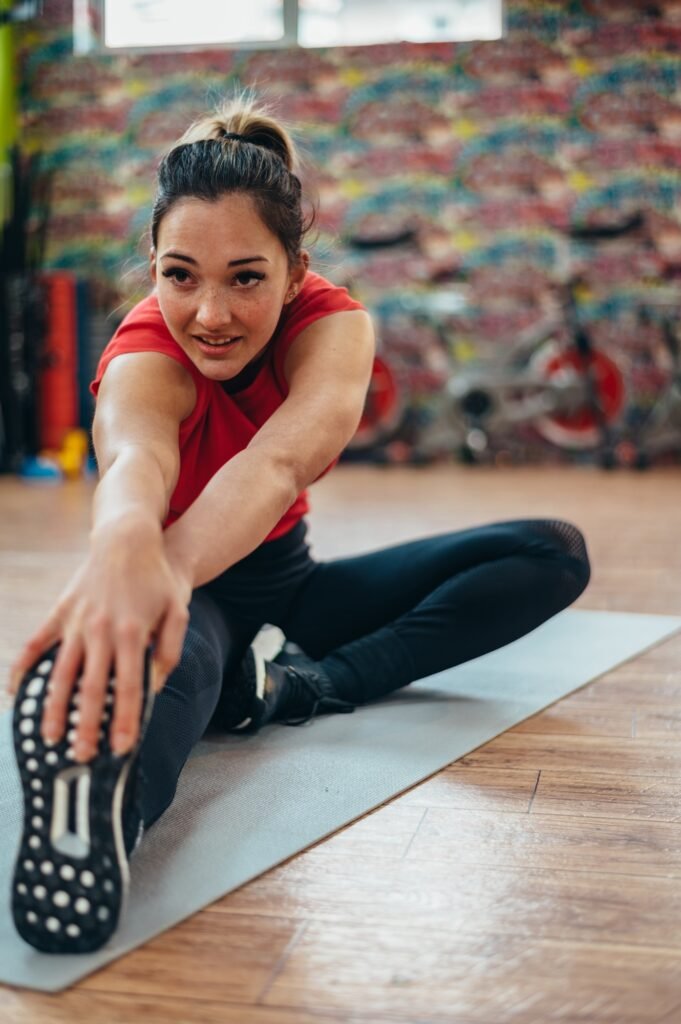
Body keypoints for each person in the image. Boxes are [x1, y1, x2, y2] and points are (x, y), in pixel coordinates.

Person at [8, 97, 590, 954]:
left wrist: (160, 569)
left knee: (549, 553)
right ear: (153, 266)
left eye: (245, 277)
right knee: (175, 663)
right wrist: (128, 555)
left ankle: (296, 687)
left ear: (293, 270)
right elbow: (135, 460)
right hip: (191, 591)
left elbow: (274, 464)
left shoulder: (333, 326)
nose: (209, 313)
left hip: (289, 584)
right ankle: (106, 817)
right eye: (180, 275)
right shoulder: (142, 350)